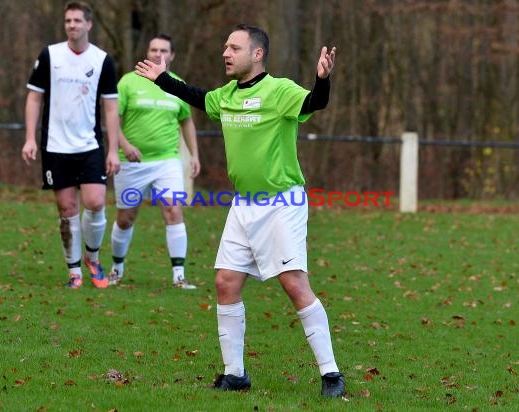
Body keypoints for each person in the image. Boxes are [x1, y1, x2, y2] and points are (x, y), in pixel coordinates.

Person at [135, 24, 344, 397]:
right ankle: (236, 374)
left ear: (257, 54)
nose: (226, 53)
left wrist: (321, 79)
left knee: (294, 285)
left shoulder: (279, 90)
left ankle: (331, 375)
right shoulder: (227, 95)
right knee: (225, 283)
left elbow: (315, 103)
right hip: (243, 204)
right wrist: (163, 79)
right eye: (225, 47)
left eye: (234, 47)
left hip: (282, 202)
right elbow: (197, 97)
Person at [21, 1, 120, 289]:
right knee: (66, 209)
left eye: (78, 20)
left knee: (96, 202)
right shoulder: (50, 55)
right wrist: (29, 138)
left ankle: (92, 257)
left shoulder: (103, 60)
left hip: (89, 145)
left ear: (89, 24)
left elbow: (111, 107)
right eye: (68, 20)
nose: (73, 25)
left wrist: (113, 149)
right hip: (55, 147)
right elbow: (34, 97)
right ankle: (74, 270)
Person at [108, 33, 200, 289]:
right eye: (153, 49)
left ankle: (179, 276)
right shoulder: (128, 82)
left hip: (167, 161)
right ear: (147, 53)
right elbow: (113, 117)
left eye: (164, 50)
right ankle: (116, 268)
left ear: (171, 56)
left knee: (173, 210)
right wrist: (124, 145)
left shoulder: (177, 85)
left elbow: (186, 121)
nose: (158, 54)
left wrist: (194, 155)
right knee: (126, 218)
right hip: (131, 164)